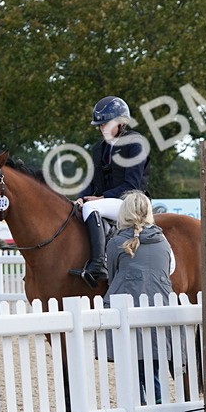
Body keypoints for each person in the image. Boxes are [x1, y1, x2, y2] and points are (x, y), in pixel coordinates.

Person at [69, 96, 151, 286]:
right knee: (76, 208)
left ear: (121, 123)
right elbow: (91, 181)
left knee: (91, 209)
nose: (101, 129)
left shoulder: (135, 144)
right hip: (108, 202)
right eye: (100, 125)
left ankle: (98, 265)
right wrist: (81, 198)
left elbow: (132, 185)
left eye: (106, 124)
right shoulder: (99, 148)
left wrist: (99, 198)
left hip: (132, 203)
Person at [106, 191, 176, 410]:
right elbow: (170, 269)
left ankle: (141, 408)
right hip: (158, 310)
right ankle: (158, 408)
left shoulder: (116, 242)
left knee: (133, 369)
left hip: (127, 311)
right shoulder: (163, 241)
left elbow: (111, 275)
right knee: (153, 369)